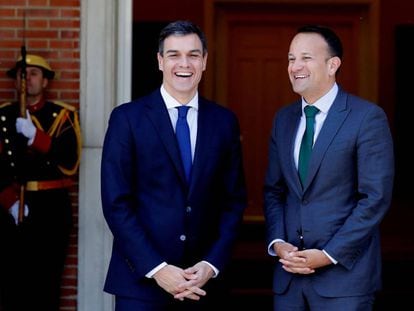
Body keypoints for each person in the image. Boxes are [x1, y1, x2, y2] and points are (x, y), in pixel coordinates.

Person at [101, 20, 247, 310]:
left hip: (204, 284)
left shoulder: (224, 122)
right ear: (159, 61)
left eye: (193, 55)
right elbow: (116, 203)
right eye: (174, 55)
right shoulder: (127, 119)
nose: (184, 64)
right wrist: (158, 268)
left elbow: (233, 201)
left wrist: (211, 264)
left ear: (204, 61)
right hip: (141, 284)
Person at [263, 25, 394, 310]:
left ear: (333, 64)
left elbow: (374, 198)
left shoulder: (367, 118)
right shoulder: (283, 120)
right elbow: (274, 191)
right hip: (289, 280)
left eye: (305, 58)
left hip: (344, 282)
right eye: (290, 58)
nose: (295, 66)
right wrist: (277, 242)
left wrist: (328, 254)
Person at [0, 53, 81, 310]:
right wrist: (8, 200)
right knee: (11, 282)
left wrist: (36, 136)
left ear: (45, 81)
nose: (27, 80)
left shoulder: (62, 115)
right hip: (11, 205)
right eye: (23, 74)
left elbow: (71, 161)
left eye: (34, 74)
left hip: (51, 207)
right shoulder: (3, 115)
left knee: (47, 281)